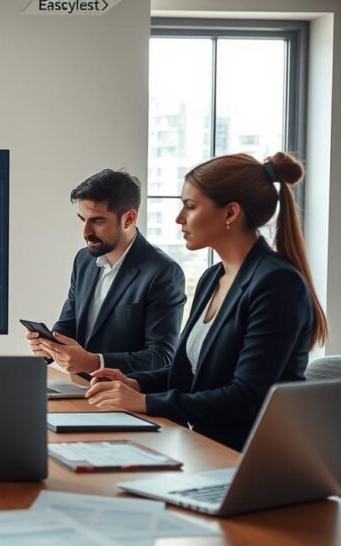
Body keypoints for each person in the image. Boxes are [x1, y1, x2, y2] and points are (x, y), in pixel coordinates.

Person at [85, 152, 327, 451]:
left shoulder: (277, 284)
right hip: (206, 446)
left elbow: (246, 398)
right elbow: (192, 376)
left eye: (190, 206)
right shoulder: (213, 277)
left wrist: (145, 402)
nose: (179, 218)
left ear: (230, 213)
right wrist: (136, 383)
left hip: (252, 457)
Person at [28, 169, 186, 374]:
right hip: (83, 389)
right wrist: (49, 346)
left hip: (128, 397)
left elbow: (162, 356)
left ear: (128, 219)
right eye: (82, 219)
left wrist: (95, 362)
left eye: (97, 221)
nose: (86, 232)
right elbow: (68, 325)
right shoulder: (84, 260)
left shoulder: (163, 272)